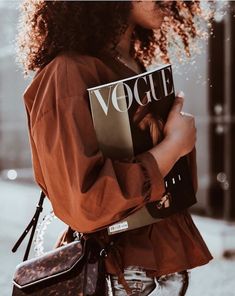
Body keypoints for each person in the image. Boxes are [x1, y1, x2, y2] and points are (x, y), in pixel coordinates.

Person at [17, 1, 213, 295]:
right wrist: (173, 147)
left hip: (152, 266)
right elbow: (86, 201)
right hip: (117, 274)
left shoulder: (128, 63)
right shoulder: (68, 73)